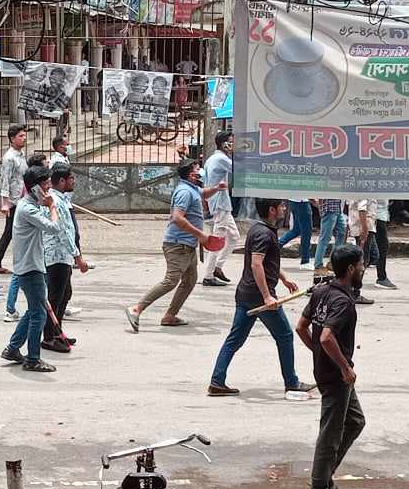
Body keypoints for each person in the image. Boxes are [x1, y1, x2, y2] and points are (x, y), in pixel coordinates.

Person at [209, 196, 307, 399]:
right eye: (281, 206)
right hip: (258, 296)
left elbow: (267, 262)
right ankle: (292, 383)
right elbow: (256, 264)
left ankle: (217, 382)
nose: (284, 208)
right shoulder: (264, 233)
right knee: (285, 336)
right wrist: (267, 297)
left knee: (235, 339)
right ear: (272, 210)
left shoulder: (258, 228)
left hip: (245, 293)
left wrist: (283, 279)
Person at [299, 244, 367, 489]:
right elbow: (326, 337)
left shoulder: (321, 292)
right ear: (350, 269)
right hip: (336, 376)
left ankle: (324, 476)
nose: (363, 269)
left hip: (329, 371)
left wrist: (319, 352)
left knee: (355, 421)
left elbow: (302, 327)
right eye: (361, 265)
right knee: (330, 433)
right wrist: (343, 367)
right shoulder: (342, 302)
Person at [126, 157, 206, 332]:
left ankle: (170, 316)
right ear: (192, 174)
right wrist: (200, 235)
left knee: (190, 280)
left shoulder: (193, 189)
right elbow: (177, 217)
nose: (201, 171)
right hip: (178, 245)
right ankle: (137, 308)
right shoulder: (185, 192)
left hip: (188, 245)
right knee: (171, 280)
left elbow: (204, 194)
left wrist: (219, 188)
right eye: (198, 168)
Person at [0, 164, 60, 373]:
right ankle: (33, 359)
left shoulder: (30, 205)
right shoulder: (27, 208)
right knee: (39, 314)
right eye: (45, 184)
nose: (48, 188)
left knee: (34, 310)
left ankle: (13, 348)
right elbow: (53, 227)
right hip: (30, 267)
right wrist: (52, 206)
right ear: (34, 188)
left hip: (33, 264)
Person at [43, 162, 88, 353]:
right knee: (55, 298)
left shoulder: (62, 199)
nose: (73, 181)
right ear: (61, 181)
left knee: (64, 294)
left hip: (63, 255)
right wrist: (77, 256)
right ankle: (50, 337)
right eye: (71, 178)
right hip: (56, 255)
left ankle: (57, 331)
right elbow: (64, 232)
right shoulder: (55, 200)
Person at [199, 130, 238, 284]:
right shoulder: (221, 158)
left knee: (234, 237)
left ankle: (217, 267)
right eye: (231, 141)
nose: (233, 144)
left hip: (220, 203)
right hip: (220, 203)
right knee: (218, 238)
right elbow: (240, 169)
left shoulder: (213, 158)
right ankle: (208, 275)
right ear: (224, 144)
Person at [0, 124, 30, 273]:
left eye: (24, 135)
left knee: (15, 231)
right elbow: (4, 180)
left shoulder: (21, 154)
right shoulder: (9, 157)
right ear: (12, 139)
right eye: (21, 136)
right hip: (14, 201)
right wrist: (5, 203)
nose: (24, 138)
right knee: (9, 232)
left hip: (22, 198)